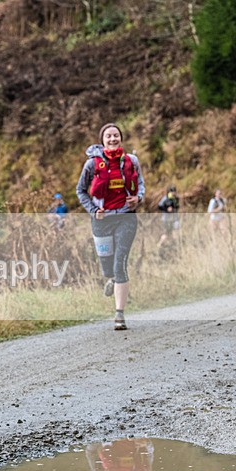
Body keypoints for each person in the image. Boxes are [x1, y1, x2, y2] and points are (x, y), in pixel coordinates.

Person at [76, 122, 145, 331]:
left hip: (126, 217)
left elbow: (140, 184)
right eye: (109, 136)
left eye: (116, 135)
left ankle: (119, 314)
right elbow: (80, 190)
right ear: (102, 140)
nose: (113, 139)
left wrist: (138, 198)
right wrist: (92, 210)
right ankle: (112, 280)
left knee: (120, 262)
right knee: (108, 268)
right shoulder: (92, 164)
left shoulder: (131, 161)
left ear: (121, 138)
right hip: (102, 221)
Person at [157, 185, 180, 250]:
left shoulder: (176, 199)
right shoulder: (165, 198)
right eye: (172, 192)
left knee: (175, 233)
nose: (174, 193)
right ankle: (159, 245)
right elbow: (159, 206)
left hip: (174, 219)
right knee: (167, 234)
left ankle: (174, 247)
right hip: (166, 219)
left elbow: (177, 207)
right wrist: (167, 209)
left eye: (174, 192)